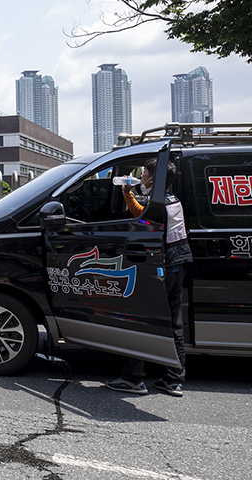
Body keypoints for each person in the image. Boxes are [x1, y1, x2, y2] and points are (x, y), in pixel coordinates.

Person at [106, 159, 192, 397]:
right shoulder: (173, 200)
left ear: (153, 179)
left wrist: (126, 193)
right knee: (174, 324)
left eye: (143, 174)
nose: (140, 177)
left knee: (141, 321)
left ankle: (133, 378)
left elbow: (140, 217)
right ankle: (173, 379)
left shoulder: (157, 204)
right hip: (177, 265)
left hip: (160, 268)